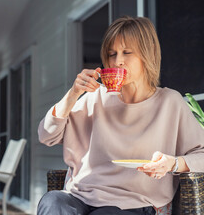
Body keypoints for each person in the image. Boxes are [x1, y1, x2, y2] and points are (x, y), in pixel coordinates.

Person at [37, 16, 204, 215]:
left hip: (135, 204)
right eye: (112, 54)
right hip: (81, 197)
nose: (118, 61)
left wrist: (173, 163)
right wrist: (73, 94)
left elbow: (201, 155)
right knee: (53, 200)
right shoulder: (94, 97)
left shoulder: (170, 103)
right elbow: (47, 136)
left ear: (147, 54)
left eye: (127, 53)